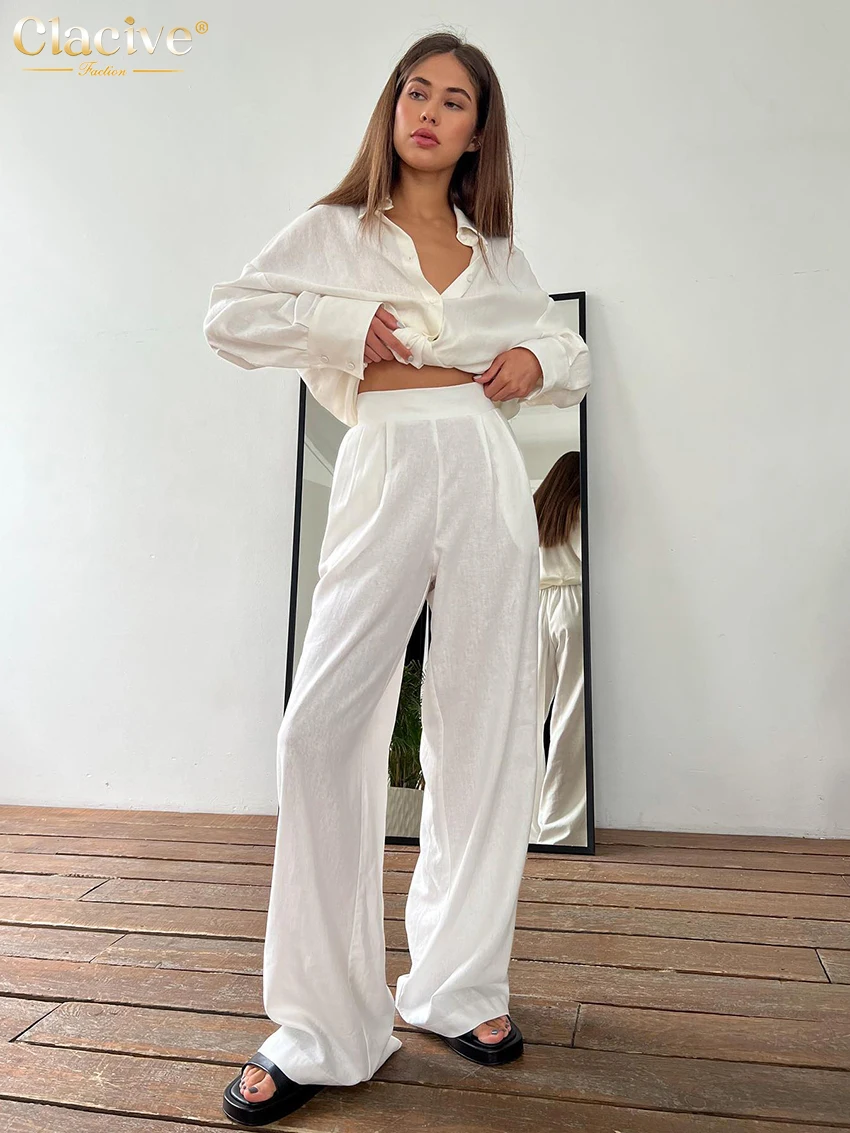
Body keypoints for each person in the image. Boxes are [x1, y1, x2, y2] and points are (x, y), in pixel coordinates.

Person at [202, 30, 591, 1127]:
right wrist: (340, 322)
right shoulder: (337, 229)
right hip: (385, 458)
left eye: (454, 100)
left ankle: (457, 984)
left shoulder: (496, 252)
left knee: (484, 725)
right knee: (319, 729)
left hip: (480, 465)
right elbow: (228, 317)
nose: (428, 111)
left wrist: (537, 359)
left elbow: (569, 355)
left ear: (477, 132)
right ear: (392, 110)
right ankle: (321, 1024)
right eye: (415, 91)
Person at [529, 452, 587, 846]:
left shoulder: (534, 511)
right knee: (570, 719)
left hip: (536, 607)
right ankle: (560, 827)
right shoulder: (581, 509)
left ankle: (523, 823)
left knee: (525, 720)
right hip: (573, 603)